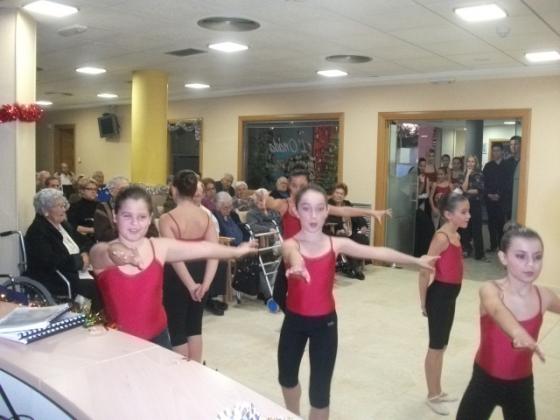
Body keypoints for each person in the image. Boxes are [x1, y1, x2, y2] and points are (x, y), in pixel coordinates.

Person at [279, 184, 437, 420]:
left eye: (319, 209)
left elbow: (377, 252)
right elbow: (292, 254)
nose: (313, 216)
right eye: (306, 208)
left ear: (327, 211)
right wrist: (298, 264)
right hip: (294, 322)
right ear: (296, 210)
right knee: (286, 378)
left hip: (325, 326)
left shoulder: (336, 243)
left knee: (320, 394)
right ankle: (292, 415)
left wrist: (416, 260)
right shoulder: (290, 243)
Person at [90, 186, 256, 349]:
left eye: (141, 217)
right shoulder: (100, 251)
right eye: (127, 216)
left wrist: (236, 251)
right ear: (115, 216)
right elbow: (107, 252)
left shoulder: (158, 247)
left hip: (159, 339)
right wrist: (124, 254)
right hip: (119, 344)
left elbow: (204, 248)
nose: (134, 223)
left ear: (150, 219)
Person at [456, 225, 559, 420]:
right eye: (521, 256)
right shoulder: (490, 289)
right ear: (503, 258)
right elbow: (497, 309)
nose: (531, 264)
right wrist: (518, 332)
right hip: (484, 380)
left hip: (521, 385)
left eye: (537, 257)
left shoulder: (544, 296)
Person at [265, 169, 390, 310]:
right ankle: (296, 318)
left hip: (310, 259)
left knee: (309, 298)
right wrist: (262, 195)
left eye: (302, 186)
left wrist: (371, 212)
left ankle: (305, 318)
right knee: (279, 296)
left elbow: (343, 210)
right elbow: (269, 201)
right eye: (294, 185)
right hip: (290, 257)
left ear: (308, 186)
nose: (298, 189)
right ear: (289, 186)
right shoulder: (284, 205)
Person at [158, 170, 220, 361]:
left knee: (177, 328)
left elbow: (175, 257)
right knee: (194, 327)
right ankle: (195, 371)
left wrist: (190, 285)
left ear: (173, 190)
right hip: (201, 273)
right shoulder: (206, 217)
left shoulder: (167, 218)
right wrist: (205, 284)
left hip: (178, 278)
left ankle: (182, 374)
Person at [418, 192, 470, 416]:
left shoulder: (455, 235)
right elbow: (424, 270)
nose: (468, 216)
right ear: (448, 215)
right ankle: (432, 395)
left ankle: (437, 391)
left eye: (468, 211)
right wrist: (423, 302)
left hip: (450, 297)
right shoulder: (441, 238)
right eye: (464, 212)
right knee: (435, 347)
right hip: (439, 296)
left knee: (442, 346)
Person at [24, 188, 99, 307]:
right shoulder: (38, 231)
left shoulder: (63, 225)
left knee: (106, 278)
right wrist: (80, 261)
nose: (63, 209)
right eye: (58, 206)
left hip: (76, 271)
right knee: (96, 287)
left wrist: (85, 253)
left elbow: (85, 241)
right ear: (45, 210)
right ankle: (93, 317)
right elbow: (51, 261)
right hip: (56, 278)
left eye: (63, 205)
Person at [324, 182, 369, 280]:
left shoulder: (347, 204)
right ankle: (355, 268)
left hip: (349, 233)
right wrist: (338, 229)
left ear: (344, 195)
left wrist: (363, 226)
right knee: (344, 239)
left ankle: (352, 265)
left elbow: (358, 216)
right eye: (337, 193)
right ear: (333, 193)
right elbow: (326, 220)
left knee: (362, 238)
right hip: (334, 234)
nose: (339, 195)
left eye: (341, 194)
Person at [461, 155, 487, 260]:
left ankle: (479, 254)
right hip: (465, 204)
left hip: (475, 204)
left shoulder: (479, 174)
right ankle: (466, 250)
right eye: (469, 161)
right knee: (465, 228)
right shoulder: (463, 174)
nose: (470, 164)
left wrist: (465, 191)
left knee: (477, 229)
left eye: (472, 162)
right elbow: (463, 187)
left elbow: (477, 190)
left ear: (476, 163)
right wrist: (467, 175)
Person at [67, 177, 99, 248]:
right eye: (90, 189)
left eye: (95, 189)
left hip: (99, 239)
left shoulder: (100, 206)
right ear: (82, 191)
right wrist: (92, 230)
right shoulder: (74, 207)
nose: (93, 191)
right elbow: (72, 226)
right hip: (82, 241)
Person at [415, 158, 435, 257]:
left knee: (428, 227)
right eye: (421, 166)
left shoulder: (426, 178)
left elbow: (427, 192)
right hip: (415, 203)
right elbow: (417, 192)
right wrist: (421, 183)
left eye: (424, 166)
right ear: (418, 166)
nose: (422, 168)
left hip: (423, 202)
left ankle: (425, 250)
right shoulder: (415, 176)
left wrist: (424, 184)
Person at [508, 135, 521, 222]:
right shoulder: (507, 162)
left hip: (521, 195)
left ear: (521, 145)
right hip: (509, 197)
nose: (513, 146)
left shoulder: (525, 160)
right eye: (511, 144)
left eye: (515, 144)